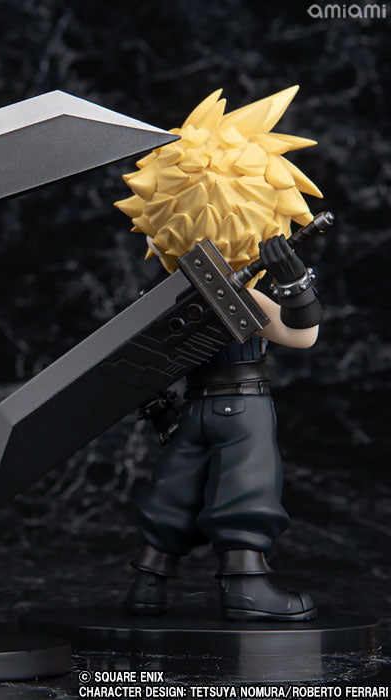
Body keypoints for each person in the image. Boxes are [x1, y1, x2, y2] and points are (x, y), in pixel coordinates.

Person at [115, 87, 323, 621]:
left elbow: (300, 333)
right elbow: (302, 335)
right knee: (230, 488)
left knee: (181, 490)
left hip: (196, 408)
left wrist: (294, 283)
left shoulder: (201, 296)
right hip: (238, 407)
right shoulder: (197, 298)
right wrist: (296, 287)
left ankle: (151, 582)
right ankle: (240, 586)